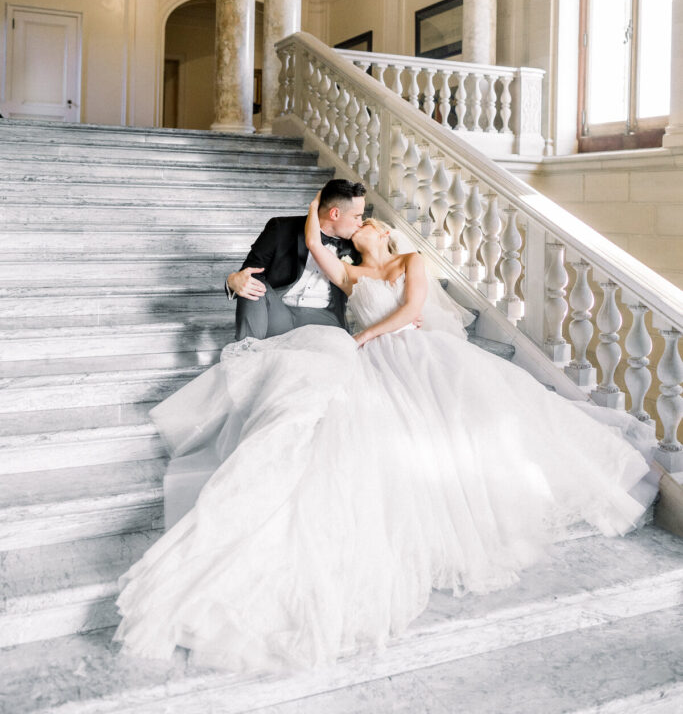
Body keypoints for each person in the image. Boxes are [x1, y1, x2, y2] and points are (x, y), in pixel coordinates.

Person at [114, 197, 656, 674]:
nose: (363, 226)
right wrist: (318, 207)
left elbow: (414, 311)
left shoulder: (410, 261)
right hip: (376, 360)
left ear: (387, 236)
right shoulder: (349, 274)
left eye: (369, 223)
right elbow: (313, 243)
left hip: (420, 353)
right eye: (358, 219)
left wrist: (363, 338)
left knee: (465, 426)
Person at [225, 178, 366, 340]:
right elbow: (247, 273)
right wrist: (232, 281)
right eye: (357, 216)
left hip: (323, 318)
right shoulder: (281, 228)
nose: (360, 223)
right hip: (279, 311)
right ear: (334, 213)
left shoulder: (355, 245)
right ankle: (246, 354)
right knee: (252, 284)